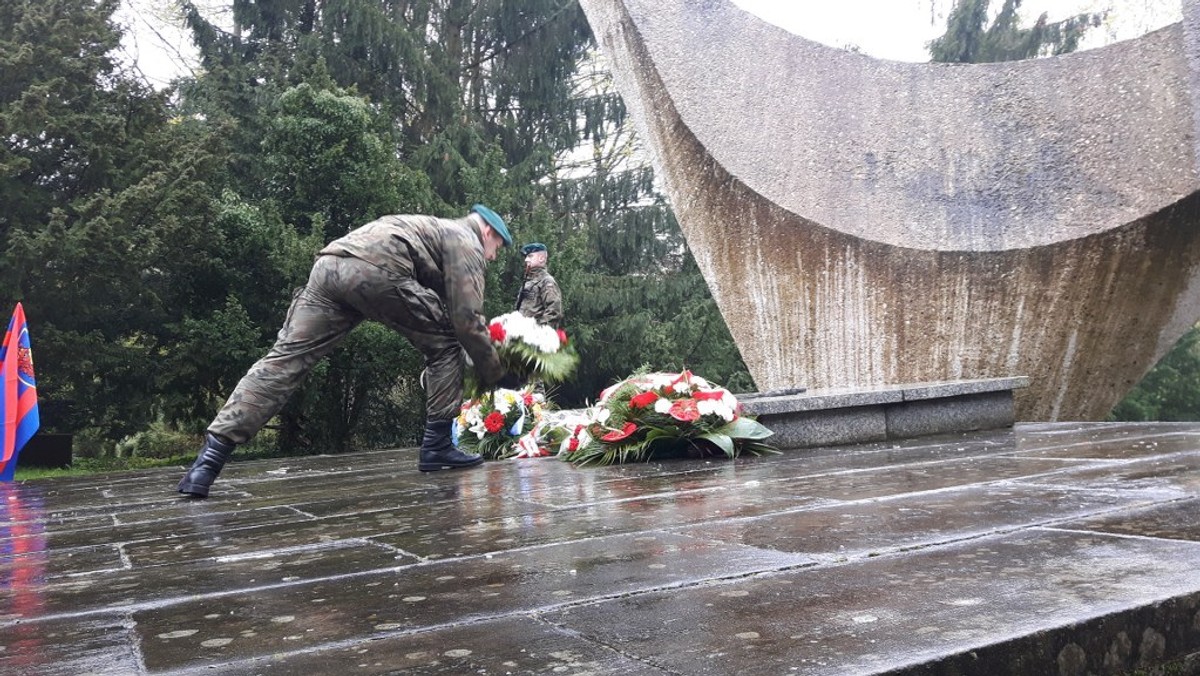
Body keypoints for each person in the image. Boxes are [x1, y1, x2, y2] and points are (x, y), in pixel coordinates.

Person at [177, 205, 524, 498]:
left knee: (284, 361)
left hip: (329, 266)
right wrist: (496, 372)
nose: (493, 257)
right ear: (488, 232)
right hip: (378, 270)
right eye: (497, 249)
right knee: (446, 344)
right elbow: (466, 320)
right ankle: (436, 446)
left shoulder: (429, 227)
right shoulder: (466, 239)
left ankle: (206, 465)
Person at [514, 242, 563, 328]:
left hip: (534, 338)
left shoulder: (547, 282)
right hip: (520, 335)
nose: (526, 260)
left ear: (541, 258)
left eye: (530, 256)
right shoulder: (527, 282)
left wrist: (538, 332)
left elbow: (554, 312)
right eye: (526, 257)